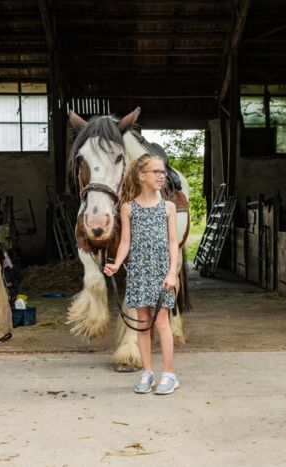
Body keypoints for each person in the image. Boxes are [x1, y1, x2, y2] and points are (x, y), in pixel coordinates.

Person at [104, 153, 180, 395]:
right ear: (141, 176)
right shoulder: (128, 207)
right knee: (142, 324)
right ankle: (147, 372)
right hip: (138, 270)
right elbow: (125, 241)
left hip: (160, 272)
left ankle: (169, 374)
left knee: (161, 322)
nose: (162, 176)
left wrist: (172, 273)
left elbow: (172, 243)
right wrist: (117, 264)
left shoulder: (167, 207)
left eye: (162, 172)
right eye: (156, 172)